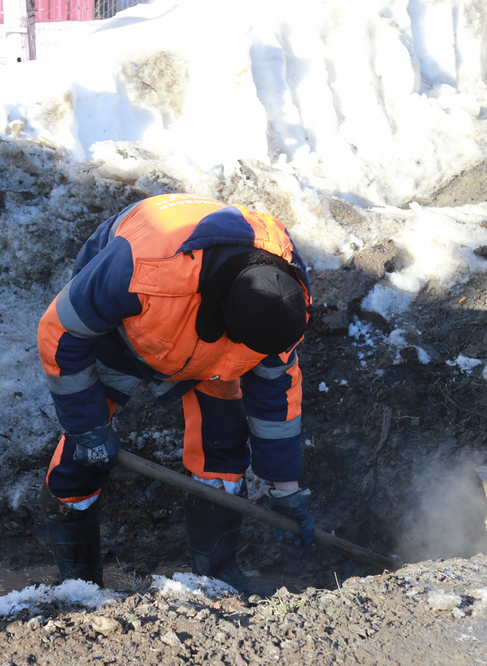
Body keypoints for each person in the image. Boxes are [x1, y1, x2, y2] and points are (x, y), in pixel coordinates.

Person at [36, 193, 315, 596]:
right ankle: (78, 583)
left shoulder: (285, 304)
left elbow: (277, 398)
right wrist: (88, 427)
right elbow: (60, 331)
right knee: (83, 456)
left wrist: (286, 486)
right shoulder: (139, 269)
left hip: (205, 332)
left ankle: (216, 577)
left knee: (224, 445)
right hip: (135, 328)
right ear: (226, 323)